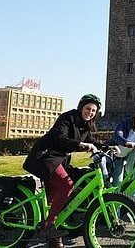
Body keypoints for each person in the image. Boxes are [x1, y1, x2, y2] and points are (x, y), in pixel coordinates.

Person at [23, 94, 102, 248]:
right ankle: (48, 226)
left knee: (54, 198)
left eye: (93, 110)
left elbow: (92, 141)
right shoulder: (67, 118)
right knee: (67, 185)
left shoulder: (85, 125)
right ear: (81, 107)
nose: (90, 112)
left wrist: (108, 147)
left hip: (57, 160)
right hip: (44, 157)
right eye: (88, 108)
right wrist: (81, 145)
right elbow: (60, 138)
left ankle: (52, 235)